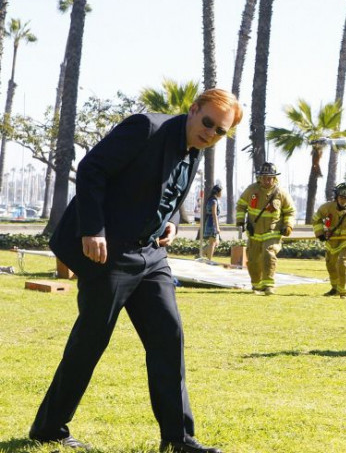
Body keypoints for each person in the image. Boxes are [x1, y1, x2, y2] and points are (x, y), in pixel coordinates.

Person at [30, 89, 243, 453]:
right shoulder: (145, 128)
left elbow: (169, 193)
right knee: (90, 340)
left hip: (151, 256)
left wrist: (171, 221)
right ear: (194, 110)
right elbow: (92, 169)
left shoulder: (194, 149)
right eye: (208, 123)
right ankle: (49, 428)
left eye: (220, 131)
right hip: (109, 254)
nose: (211, 134)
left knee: (168, 336)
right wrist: (92, 230)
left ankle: (178, 438)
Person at [235, 162, 296, 296]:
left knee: (269, 254)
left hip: (272, 233)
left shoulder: (281, 193)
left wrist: (288, 225)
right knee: (253, 261)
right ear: (259, 177)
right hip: (254, 233)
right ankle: (257, 285)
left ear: (274, 178)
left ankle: (269, 285)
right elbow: (241, 205)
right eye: (264, 177)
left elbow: (290, 211)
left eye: (269, 178)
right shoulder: (251, 190)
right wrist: (240, 220)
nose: (266, 180)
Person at [312, 183, 346, 299]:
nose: (343, 200)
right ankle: (335, 288)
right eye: (341, 197)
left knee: (343, 263)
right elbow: (316, 219)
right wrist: (320, 233)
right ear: (336, 197)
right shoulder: (327, 207)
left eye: (345, 198)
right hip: (331, 242)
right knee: (330, 265)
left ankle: (344, 292)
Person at [202, 184, 222, 260]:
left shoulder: (211, 200)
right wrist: (217, 227)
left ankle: (202, 253)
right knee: (213, 243)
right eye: (221, 192)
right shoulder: (214, 201)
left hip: (209, 221)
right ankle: (209, 260)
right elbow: (214, 214)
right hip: (212, 223)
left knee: (215, 243)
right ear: (217, 192)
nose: (221, 193)